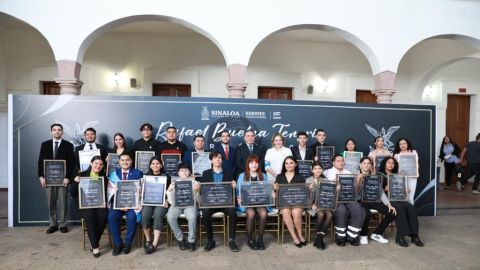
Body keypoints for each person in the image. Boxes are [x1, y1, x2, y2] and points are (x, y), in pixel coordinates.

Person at [37, 123, 75, 234]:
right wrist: (41, 177)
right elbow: (40, 162)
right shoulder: (45, 144)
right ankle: (53, 224)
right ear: (51, 132)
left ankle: (63, 224)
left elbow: (71, 163)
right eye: (54, 130)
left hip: (63, 179)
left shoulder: (68, 145)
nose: (57, 131)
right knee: (51, 202)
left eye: (59, 130)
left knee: (63, 202)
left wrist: (68, 177)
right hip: (48, 179)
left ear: (62, 132)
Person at [379, 157, 424, 247]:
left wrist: (406, 188)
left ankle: (415, 235)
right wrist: (385, 188)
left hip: (399, 198)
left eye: (393, 163)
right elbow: (378, 190)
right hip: (387, 200)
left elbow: (401, 187)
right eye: (389, 162)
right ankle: (400, 236)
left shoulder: (397, 175)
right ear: (384, 163)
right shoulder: (379, 175)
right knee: (400, 208)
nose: (391, 164)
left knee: (411, 207)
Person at [199, 151, 239, 252]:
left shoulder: (228, 173)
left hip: (225, 202)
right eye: (215, 158)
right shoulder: (206, 173)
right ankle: (210, 241)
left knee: (233, 212)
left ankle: (232, 240)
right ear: (211, 160)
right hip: (211, 202)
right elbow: (203, 190)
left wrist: (234, 186)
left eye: (220, 158)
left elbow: (231, 190)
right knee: (205, 213)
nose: (217, 159)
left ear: (222, 160)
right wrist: (198, 188)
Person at [107, 152, 144, 255]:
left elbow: (141, 190)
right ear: (119, 162)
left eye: (127, 160)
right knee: (112, 217)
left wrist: (139, 192)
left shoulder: (138, 173)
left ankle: (127, 243)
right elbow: (110, 192)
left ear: (131, 161)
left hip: (133, 204)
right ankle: (118, 244)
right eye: (122, 160)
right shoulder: (114, 174)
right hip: (118, 204)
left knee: (132, 218)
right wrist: (120, 204)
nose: (125, 162)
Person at [324, 155, 365, 246]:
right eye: (338, 161)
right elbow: (325, 189)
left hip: (348, 198)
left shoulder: (348, 172)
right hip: (335, 199)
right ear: (333, 162)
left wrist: (358, 181)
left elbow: (356, 190)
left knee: (358, 208)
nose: (341, 162)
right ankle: (340, 236)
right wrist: (334, 185)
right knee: (341, 211)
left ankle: (352, 236)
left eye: (342, 161)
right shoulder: (327, 172)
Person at [74, 156, 108, 257]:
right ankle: (95, 247)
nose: (98, 166)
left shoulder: (104, 177)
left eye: (101, 164)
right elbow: (73, 194)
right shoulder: (81, 175)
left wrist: (105, 202)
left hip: (99, 204)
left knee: (103, 216)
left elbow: (106, 193)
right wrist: (75, 182)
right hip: (86, 205)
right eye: (96, 163)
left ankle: (93, 243)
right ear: (91, 163)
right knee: (90, 216)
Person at [357, 156, 396, 245]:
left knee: (392, 212)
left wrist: (388, 204)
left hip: (374, 200)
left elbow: (381, 191)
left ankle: (377, 233)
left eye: (368, 163)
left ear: (371, 165)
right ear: (360, 165)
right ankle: (363, 235)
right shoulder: (355, 175)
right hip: (361, 201)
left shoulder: (374, 176)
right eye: (364, 163)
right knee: (367, 213)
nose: (366, 165)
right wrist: (358, 180)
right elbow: (354, 194)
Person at [236, 154, 271, 250]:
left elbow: (267, 190)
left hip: (260, 202)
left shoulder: (263, 175)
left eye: (256, 163)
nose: (254, 165)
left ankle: (260, 239)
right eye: (252, 163)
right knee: (251, 214)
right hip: (247, 203)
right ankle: (250, 239)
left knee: (264, 214)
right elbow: (238, 190)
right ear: (248, 164)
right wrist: (239, 198)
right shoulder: (242, 176)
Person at [274, 156, 306, 248]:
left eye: (291, 163)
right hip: (284, 203)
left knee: (296, 212)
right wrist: (275, 189)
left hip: (297, 202)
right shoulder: (279, 176)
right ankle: (294, 237)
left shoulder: (300, 177)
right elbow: (276, 193)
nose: (289, 165)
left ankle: (300, 234)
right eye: (286, 163)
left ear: (295, 164)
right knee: (285, 212)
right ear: (284, 165)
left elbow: (303, 193)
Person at [141, 156, 171, 254]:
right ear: (150, 165)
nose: (155, 165)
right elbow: (144, 192)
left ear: (161, 165)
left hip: (161, 202)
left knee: (158, 215)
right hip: (149, 201)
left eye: (157, 163)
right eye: (153, 164)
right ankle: (148, 240)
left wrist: (167, 199)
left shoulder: (166, 176)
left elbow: (169, 192)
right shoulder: (146, 176)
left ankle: (154, 243)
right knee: (145, 215)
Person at [166, 163, 199, 252]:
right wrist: (169, 191)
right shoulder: (174, 183)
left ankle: (191, 241)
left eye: (186, 170)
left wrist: (197, 191)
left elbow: (199, 201)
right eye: (182, 170)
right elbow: (171, 202)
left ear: (189, 172)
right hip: (176, 205)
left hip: (190, 205)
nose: (184, 172)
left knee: (192, 217)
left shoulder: (195, 182)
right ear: (178, 173)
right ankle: (180, 239)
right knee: (170, 217)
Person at [306, 162, 333, 250]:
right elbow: (305, 197)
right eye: (315, 168)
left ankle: (319, 238)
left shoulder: (326, 180)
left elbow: (329, 194)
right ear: (312, 170)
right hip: (312, 205)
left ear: (322, 170)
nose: (318, 170)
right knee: (321, 214)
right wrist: (309, 190)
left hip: (323, 204)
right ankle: (319, 238)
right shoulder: (308, 180)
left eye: (319, 168)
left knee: (329, 214)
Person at [394, 138, 419, 204]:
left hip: (412, 177)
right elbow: (395, 168)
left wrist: (417, 173)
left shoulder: (413, 152)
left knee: (411, 198)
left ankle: (411, 214)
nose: (403, 145)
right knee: (404, 198)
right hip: (401, 179)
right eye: (401, 144)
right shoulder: (396, 155)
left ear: (407, 144)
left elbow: (417, 164)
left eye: (404, 143)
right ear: (398, 146)